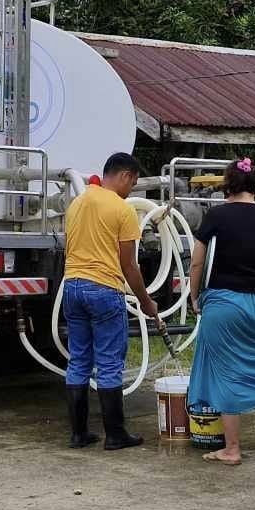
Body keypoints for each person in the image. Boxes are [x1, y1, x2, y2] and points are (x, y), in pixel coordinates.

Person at [186, 157, 255, 466]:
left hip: (224, 302)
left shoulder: (215, 216)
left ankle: (231, 449)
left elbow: (197, 263)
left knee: (226, 374)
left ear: (227, 186)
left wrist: (194, 297)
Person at [61, 152, 162, 451]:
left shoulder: (76, 204)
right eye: (133, 183)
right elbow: (129, 265)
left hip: (72, 287)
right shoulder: (122, 210)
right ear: (126, 176)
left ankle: (78, 434)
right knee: (108, 363)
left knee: (78, 360)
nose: (131, 190)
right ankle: (115, 435)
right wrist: (146, 301)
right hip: (104, 289)